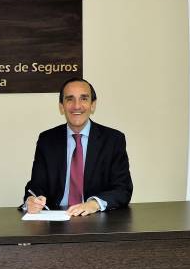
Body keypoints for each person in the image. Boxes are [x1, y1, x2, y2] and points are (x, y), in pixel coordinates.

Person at [24, 77, 132, 216]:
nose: (76, 106)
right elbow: (36, 186)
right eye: (70, 99)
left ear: (93, 105)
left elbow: (123, 189)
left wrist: (94, 204)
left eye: (84, 99)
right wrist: (32, 200)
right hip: (56, 219)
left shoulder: (113, 140)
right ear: (61, 106)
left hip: (96, 217)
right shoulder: (47, 140)